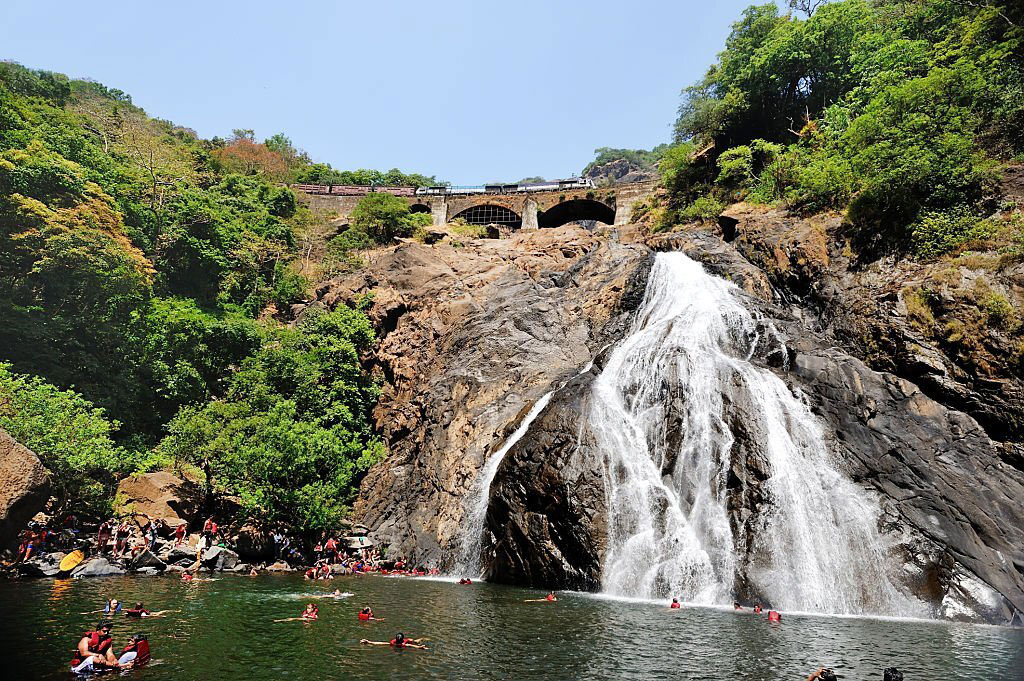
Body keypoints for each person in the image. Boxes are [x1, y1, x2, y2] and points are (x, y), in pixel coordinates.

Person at [360, 633, 428, 650]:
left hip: (408, 641)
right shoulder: (393, 643)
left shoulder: (404, 644)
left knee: (415, 641)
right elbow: (381, 643)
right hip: (405, 643)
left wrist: (419, 647)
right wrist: (369, 642)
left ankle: (423, 638)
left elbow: (411, 645)